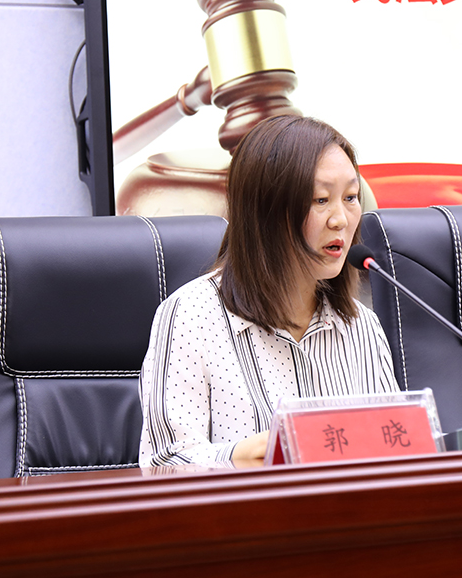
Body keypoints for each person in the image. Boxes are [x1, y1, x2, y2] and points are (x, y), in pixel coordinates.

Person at [139, 115, 399, 467]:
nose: (340, 219)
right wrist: (237, 458)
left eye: (351, 197)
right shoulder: (191, 315)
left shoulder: (361, 326)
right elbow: (163, 464)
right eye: (321, 200)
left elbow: (392, 454)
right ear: (266, 212)